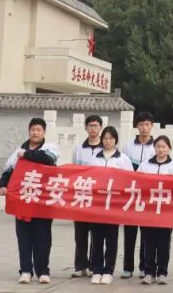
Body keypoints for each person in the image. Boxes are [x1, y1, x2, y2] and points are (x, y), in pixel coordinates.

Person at [0, 116, 60, 285]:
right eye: (32, 129)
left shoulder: (50, 148)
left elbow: (48, 160)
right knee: (24, 237)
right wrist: (3, 185)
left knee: (43, 237)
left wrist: (27, 154)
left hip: (42, 202)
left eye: (38, 129)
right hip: (23, 201)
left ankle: (43, 271)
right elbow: (8, 170)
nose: (35, 132)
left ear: (44, 132)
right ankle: (25, 270)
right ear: (28, 131)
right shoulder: (17, 151)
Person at [89, 125, 134, 285]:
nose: (108, 141)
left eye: (111, 138)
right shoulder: (95, 157)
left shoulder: (123, 159)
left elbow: (130, 181)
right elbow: (90, 177)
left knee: (111, 238)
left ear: (116, 140)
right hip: (97, 204)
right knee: (97, 238)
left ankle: (108, 270)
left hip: (114, 205)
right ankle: (96, 269)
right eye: (105, 138)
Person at [139, 135, 173, 285]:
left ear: (169, 148)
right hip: (148, 211)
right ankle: (149, 272)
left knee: (164, 243)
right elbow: (137, 182)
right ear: (154, 148)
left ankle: (162, 272)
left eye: (164, 146)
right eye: (158, 146)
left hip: (166, 212)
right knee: (148, 242)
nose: (161, 149)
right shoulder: (145, 165)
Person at [123, 111, 157, 279]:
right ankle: (127, 267)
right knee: (129, 233)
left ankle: (144, 266)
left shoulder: (156, 147)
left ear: (152, 126)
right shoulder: (128, 146)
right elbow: (123, 168)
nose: (144, 128)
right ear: (137, 126)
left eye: (147, 124)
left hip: (148, 197)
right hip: (131, 195)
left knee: (146, 235)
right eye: (141, 124)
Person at [72, 114, 105, 278]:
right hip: (81, 194)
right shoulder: (79, 148)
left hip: (98, 196)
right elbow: (73, 170)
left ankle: (94, 264)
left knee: (96, 233)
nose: (93, 128)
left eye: (96, 126)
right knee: (80, 233)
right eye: (90, 126)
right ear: (86, 128)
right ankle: (80, 265)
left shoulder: (104, 148)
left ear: (100, 128)